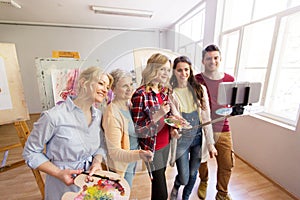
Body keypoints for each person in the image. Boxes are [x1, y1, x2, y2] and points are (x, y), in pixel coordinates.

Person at [23, 66, 113, 200]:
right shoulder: (53, 117)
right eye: (101, 83)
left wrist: (97, 162)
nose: (105, 90)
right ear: (83, 82)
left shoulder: (98, 116)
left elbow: (100, 145)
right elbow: (30, 152)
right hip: (62, 185)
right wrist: (59, 173)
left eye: (107, 86)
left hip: (90, 183)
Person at [169, 56, 217, 200]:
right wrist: (175, 127)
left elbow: (206, 117)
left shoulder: (199, 89)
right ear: (174, 72)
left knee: (192, 173)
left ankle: (186, 196)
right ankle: (178, 184)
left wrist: (210, 143)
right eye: (179, 70)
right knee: (184, 177)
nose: (183, 73)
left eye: (186, 69)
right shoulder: (170, 92)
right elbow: (173, 116)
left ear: (190, 70)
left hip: (198, 138)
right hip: (182, 140)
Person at [131, 53, 177, 200]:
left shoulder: (164, 91)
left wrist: (174, 128)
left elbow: (168, 117)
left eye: (168, 70)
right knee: (161, 187)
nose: (166, 73)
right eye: (162, 69)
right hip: (152, 147)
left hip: (166, 143)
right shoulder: (140, 94)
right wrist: (158, 115)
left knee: (160, 177)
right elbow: (138, 130)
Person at [195, 44, 235, 200]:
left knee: (227, 163)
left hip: (223, 128)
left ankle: (222, 193)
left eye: (216, 58)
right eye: (209, 58)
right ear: (203, 61)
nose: (213, 61)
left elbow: (232, 103)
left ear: (220, 59)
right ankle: (204, 181)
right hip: (203, 128)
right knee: (201, 160)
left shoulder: (229, 79)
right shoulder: (196, 79)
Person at [102, 69, 153, 187]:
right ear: (113, 89)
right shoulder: (112, 114)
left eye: (131, 84)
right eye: (125, 86)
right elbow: (115, 153)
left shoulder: (130, 105)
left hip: (132, 161)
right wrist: (139, 154)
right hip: (121, 166)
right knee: (122, 192)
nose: (130, 89)